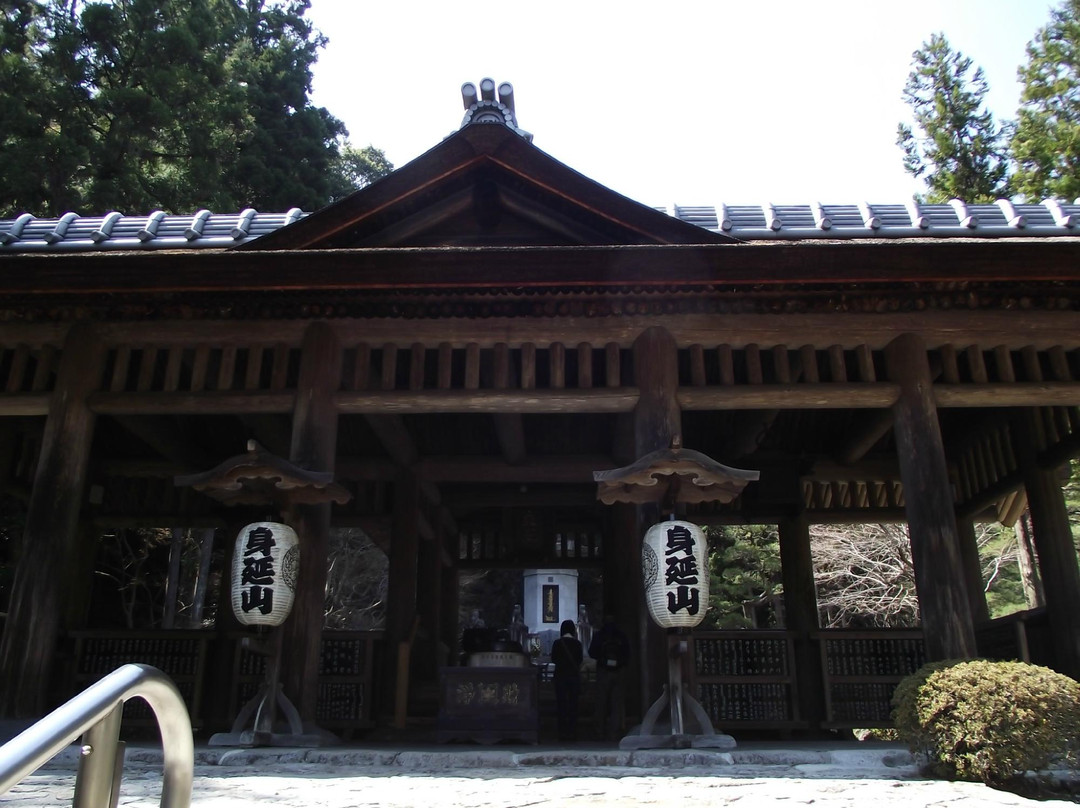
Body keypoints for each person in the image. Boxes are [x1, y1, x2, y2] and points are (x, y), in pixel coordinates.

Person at [588, 613, 631, 741]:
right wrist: (621, 663)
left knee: (601, 702)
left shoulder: (599, 635)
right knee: (616, 703)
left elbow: (592, 652)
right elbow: (627, 653)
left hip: (603, 671)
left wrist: (602, 659)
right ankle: (614, 731)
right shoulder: (621, 636)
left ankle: (599, 731)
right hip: (618, 671)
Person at [549, 618, 584, 741]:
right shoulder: (577, 644)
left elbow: (553, 659)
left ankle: (562, 732)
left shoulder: (558, 643)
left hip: (561, 677)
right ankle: (573, 732)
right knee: (573, 705)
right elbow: (580, 660)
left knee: (561, 704)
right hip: (573, 677)